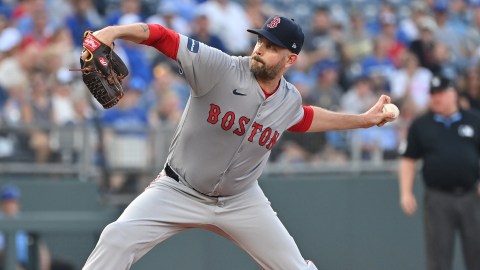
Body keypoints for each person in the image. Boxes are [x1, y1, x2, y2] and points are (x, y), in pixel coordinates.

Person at [82, 15, 396, 269]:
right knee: (116, 237)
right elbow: (163, 36)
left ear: (290, 59)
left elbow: (303, 118)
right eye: (260, 40)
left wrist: (364, 120)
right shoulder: (220, 68)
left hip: (241, 200)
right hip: (178, 188)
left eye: (272, 46)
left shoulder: (289, 99)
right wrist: (112, 31)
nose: (260, 48)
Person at [398, 75, 480, 270]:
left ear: (453, 94)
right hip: (438, 198)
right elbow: (409, 159)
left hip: (471, 196)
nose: (436, 98)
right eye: (433, 94)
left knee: (477, 254)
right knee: (438, 257)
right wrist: (406, 192)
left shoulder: (474, 119)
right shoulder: (421, 125)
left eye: (441, 93)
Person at [0, 185, 51, 270]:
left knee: (65, 265)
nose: (11, 205)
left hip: (29, 262)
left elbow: (39, 245)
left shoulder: (23, 221)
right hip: (7, 264)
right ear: (2, 204)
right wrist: (14, 265)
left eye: (13, 202)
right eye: (7, 202)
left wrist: (43, 259)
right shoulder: (1, 221)